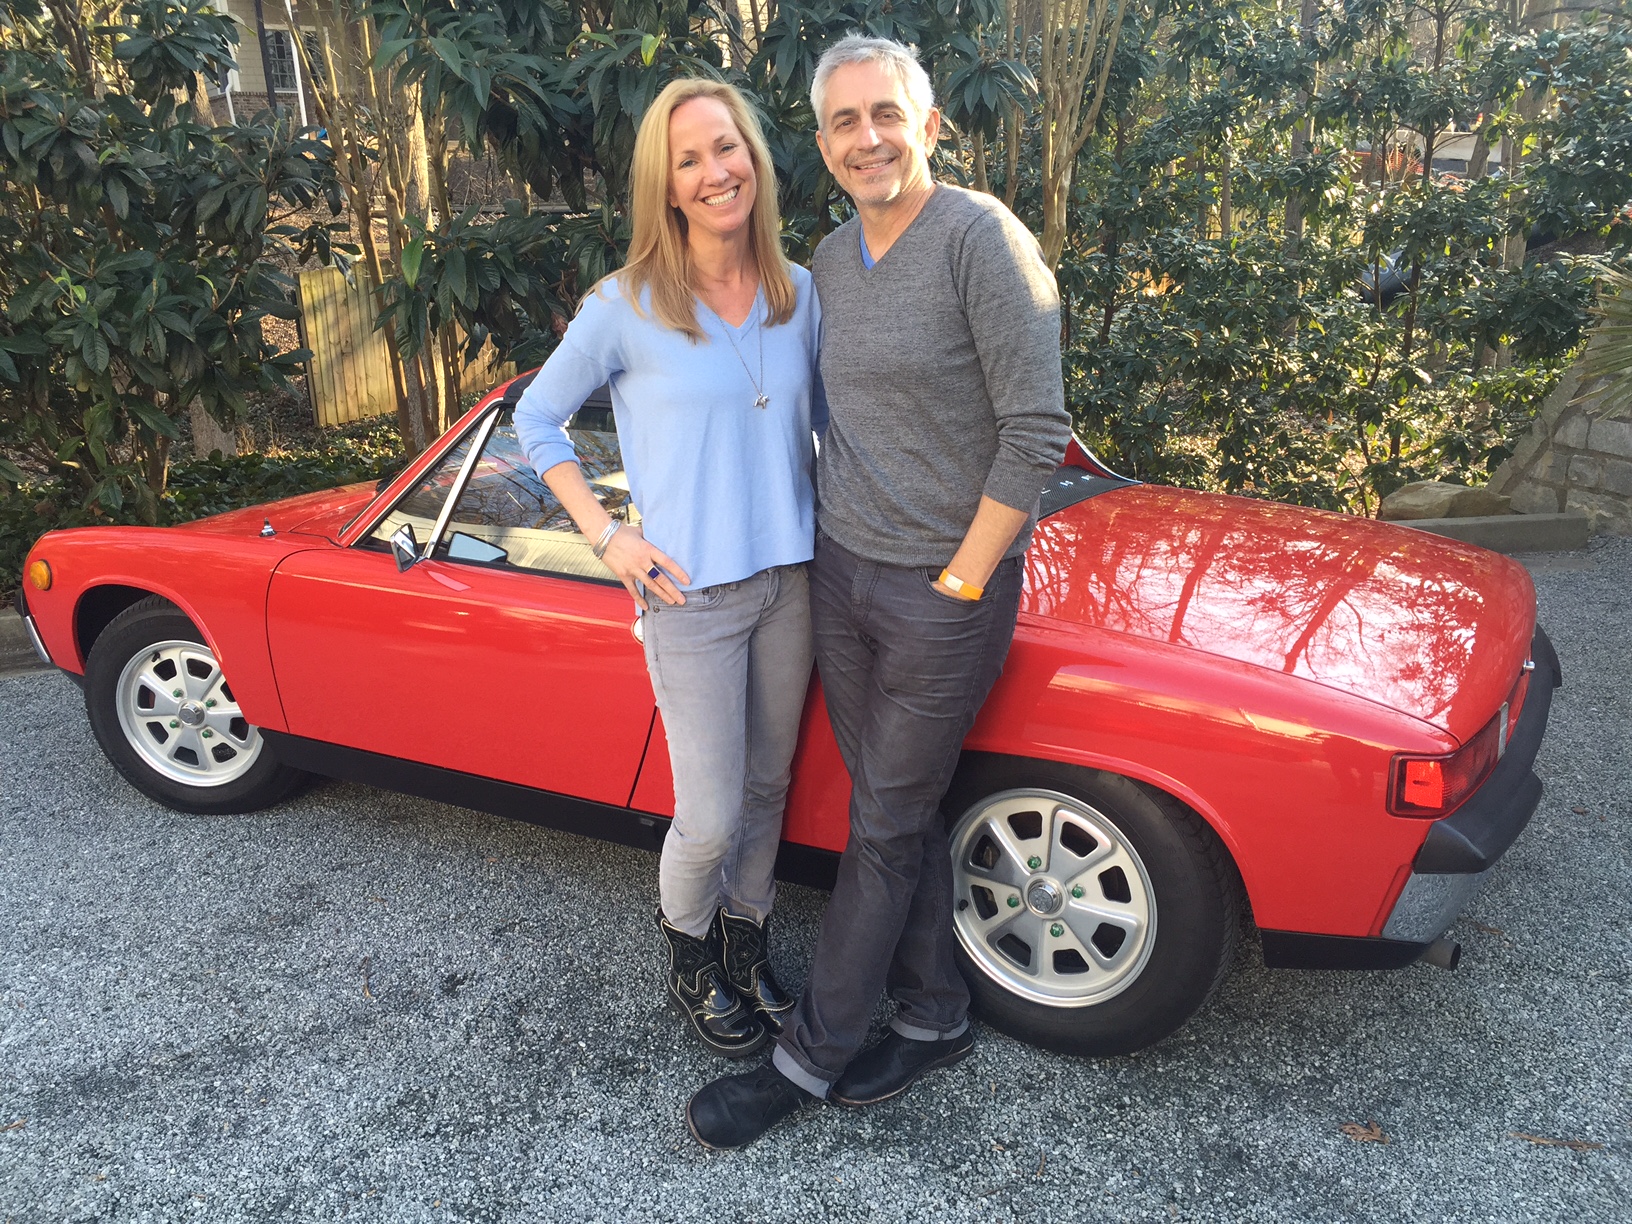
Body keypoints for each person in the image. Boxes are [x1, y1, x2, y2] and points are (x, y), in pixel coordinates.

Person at [685, 35, 1071, 1148]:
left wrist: (963, 577)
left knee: (886, 826)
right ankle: (937, 1013)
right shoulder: (827, 260)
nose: (869, 139)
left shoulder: (981, 240)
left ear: (929, 125)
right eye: (846, 122)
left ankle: (808, 1057)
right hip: (840, 576)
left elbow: (1035, 430)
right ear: (822, 145)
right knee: (898, 812)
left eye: (886, 114)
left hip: (942, 596)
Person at [513, 78, 823, 1060]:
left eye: (726, 148)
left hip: (793, 583)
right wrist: (608, 535)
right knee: (712, 813)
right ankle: (690, 950)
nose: (714, 171)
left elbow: (834, 427)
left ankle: (747, 937)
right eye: (688, 160)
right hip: (689, 597)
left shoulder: (799, 292)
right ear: (667, 186)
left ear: (754, 159)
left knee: (769, 790)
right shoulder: (624, 305)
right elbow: (536, 419)